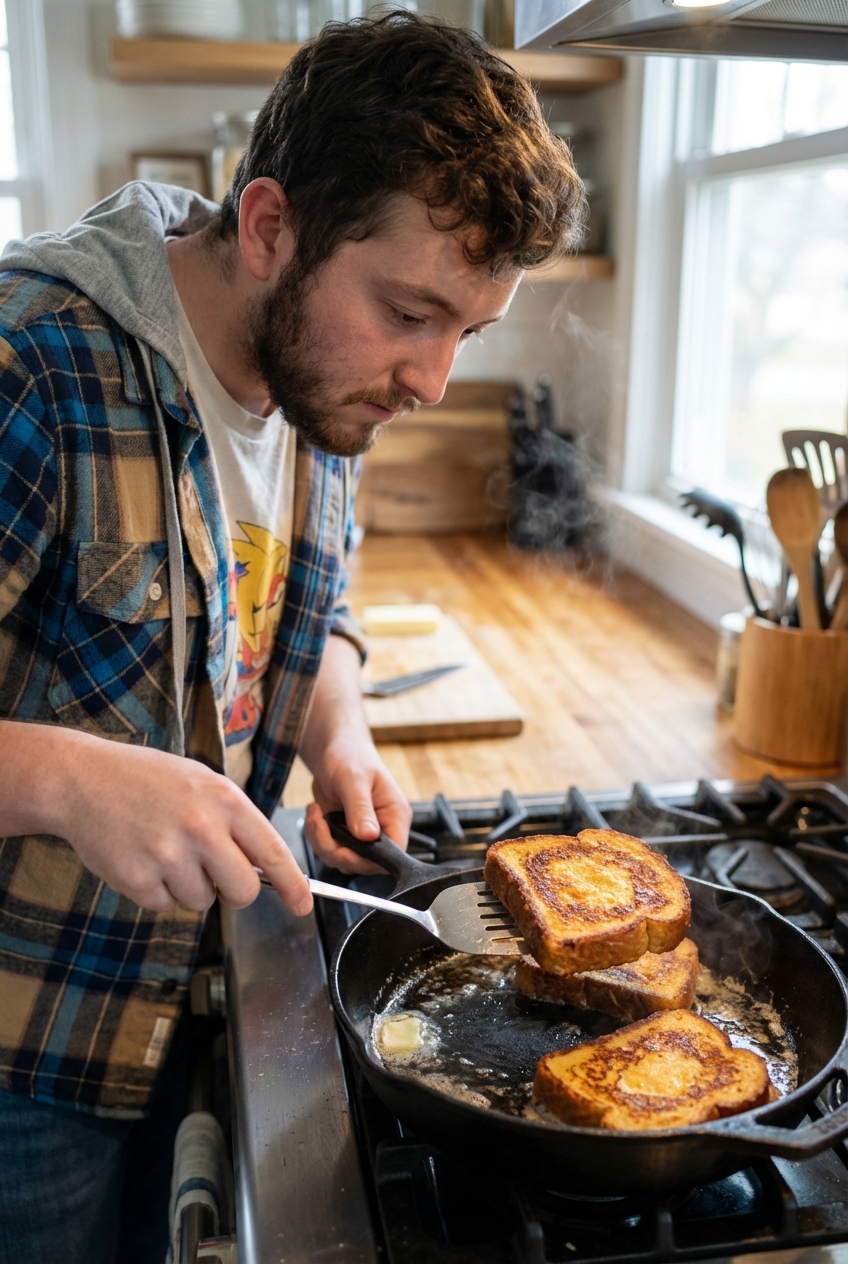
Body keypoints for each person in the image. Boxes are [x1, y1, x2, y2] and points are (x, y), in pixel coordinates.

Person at [0, 11, 584, 1263]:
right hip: (29, 1044)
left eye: (466, 334)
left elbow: (299, 608)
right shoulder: (31, 364)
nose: (431, 380)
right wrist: (62, 778)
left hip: (199, 975)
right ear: (268, 226)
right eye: (409, 312)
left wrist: (339, 732)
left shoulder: (320, 377)